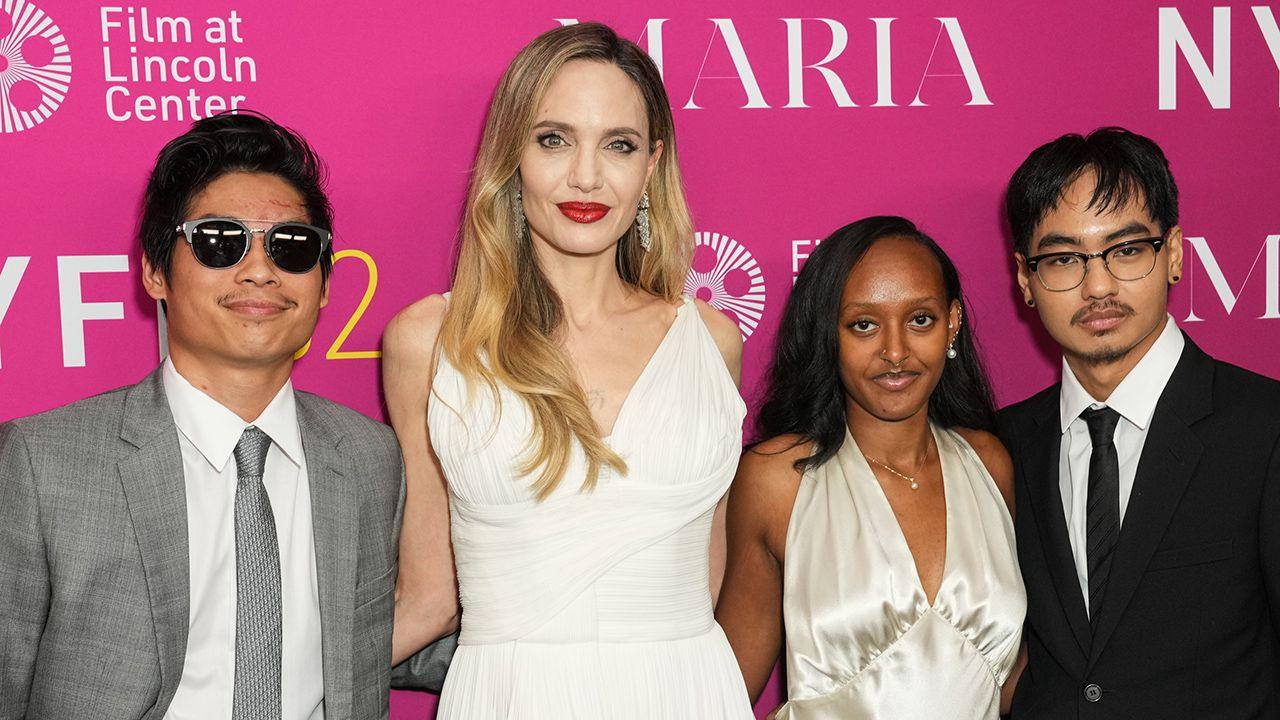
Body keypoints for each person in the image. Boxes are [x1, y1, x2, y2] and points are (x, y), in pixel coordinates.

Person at [0, 112, 451, 720]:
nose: (260, 270)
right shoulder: (42, 463)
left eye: (291, 248)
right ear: (155, 271)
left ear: (323, 286)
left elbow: (399, 636)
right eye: (220, 241)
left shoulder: (370, 459)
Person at [385, 22, 753, 719]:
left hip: (687, 691)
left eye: (618, 145)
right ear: (511, 155)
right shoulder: (429, 341)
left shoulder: (710, 342)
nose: (586, 175)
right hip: (511, 698)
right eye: (554, 139)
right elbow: (430, 596)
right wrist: (256, 688)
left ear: (651, 166)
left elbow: (706, 581)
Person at [1000, 127, 1280, 717]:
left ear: (1173, 253)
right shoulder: (1000, 447)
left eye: (1126, 250)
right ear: (1026, 278)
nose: (1098, 286)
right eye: (1063, 259)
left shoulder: (1265, 429)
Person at [716, 216, 1025, 719]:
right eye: (864, 324)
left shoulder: (990, 464)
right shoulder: (779, 480)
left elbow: (1010, 680)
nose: (896, 352)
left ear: (953, 321)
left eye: (920, 320)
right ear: (828, 334)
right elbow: (723, 690)